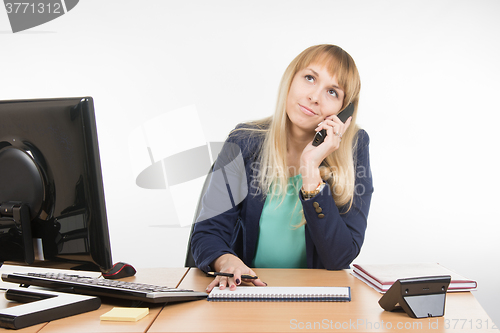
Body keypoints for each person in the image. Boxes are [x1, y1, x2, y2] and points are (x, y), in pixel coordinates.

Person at [190, 44, 373, 292]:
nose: (315, 97)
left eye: (332, 92)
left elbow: (339, 258)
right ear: (290, 79)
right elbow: (207, 231)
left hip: (314, 298)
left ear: (343, 110)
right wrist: (226, 260)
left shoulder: (354, 147)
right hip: (247, 292)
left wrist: (310, 169)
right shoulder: (244, 141)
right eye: (310, 78)